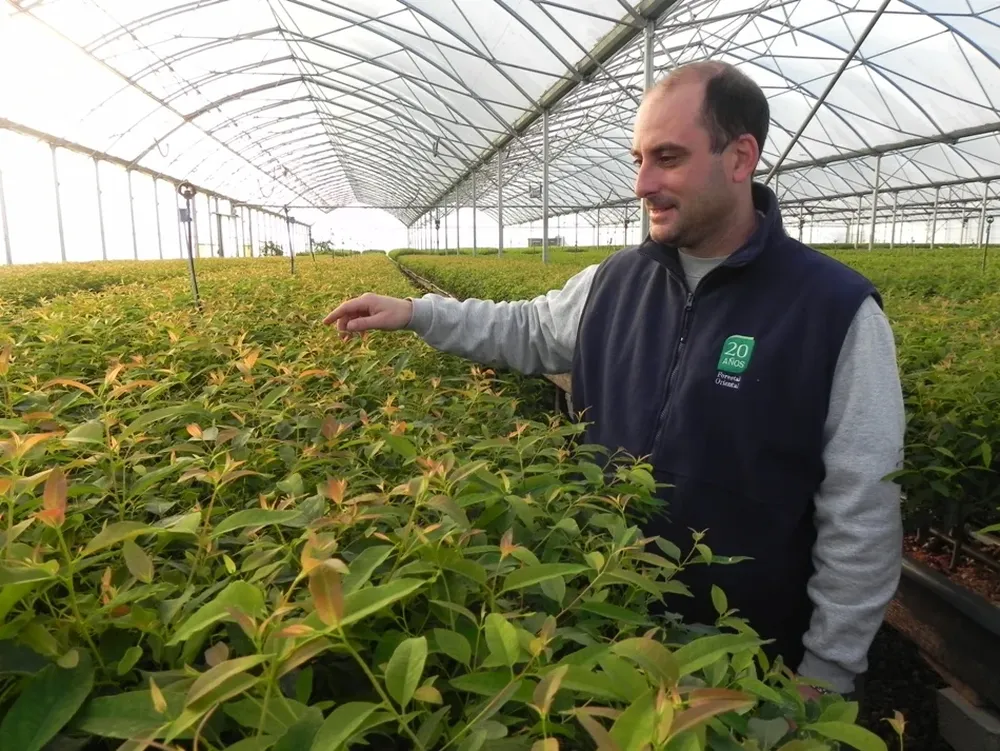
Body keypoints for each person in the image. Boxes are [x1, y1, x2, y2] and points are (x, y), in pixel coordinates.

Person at [323, 61, 905, 701]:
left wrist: (824, 675)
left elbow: (863, 509)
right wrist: (418, 313)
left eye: (667, 158)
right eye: (638, 160)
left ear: (741, 157)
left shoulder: (834, 310)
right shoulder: (615, 280)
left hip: (747, 661)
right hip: (606, 619)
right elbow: (528, 328)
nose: (642, 183)